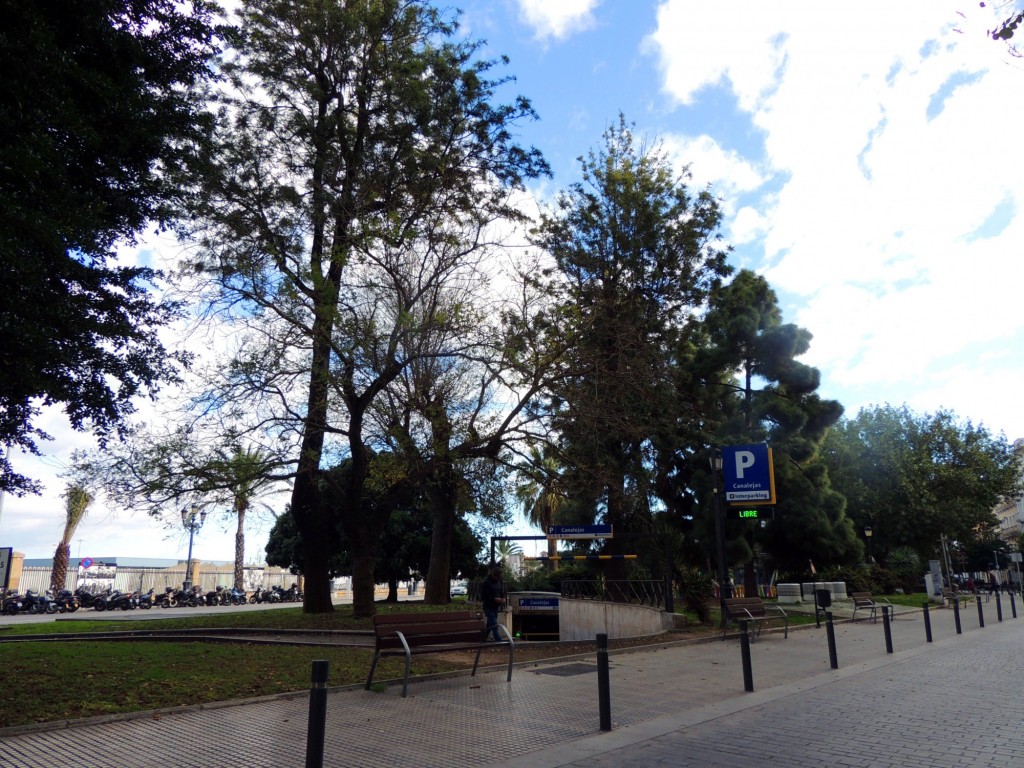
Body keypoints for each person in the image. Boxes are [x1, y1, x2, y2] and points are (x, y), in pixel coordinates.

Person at [480, 566, 507, 641]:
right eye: (497, 577)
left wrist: (503, 598)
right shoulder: (487, 583)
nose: (498, 579)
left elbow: (501, 592)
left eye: (499, 577)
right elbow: (483, 596)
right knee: (495, 625)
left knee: (489, 624)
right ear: (493, 575)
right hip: (488, 607)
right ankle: (499, 642)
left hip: (496, 607)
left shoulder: (499, 581)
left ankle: (482, 639)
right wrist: (494, 599)